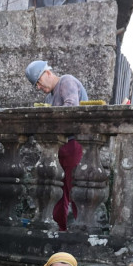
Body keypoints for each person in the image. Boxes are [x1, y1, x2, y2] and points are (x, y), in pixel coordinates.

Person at [25, 60, 88, 230]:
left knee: (73, 190)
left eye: (38, 81)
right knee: (59, 192)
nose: (38, 87)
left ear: (47, 73)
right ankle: (60, 230)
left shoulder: (66, 81)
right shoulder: (50, 95)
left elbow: (71, 108)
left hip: (73, 144)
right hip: (60, 147)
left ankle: (78, 232)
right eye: (35, 84)